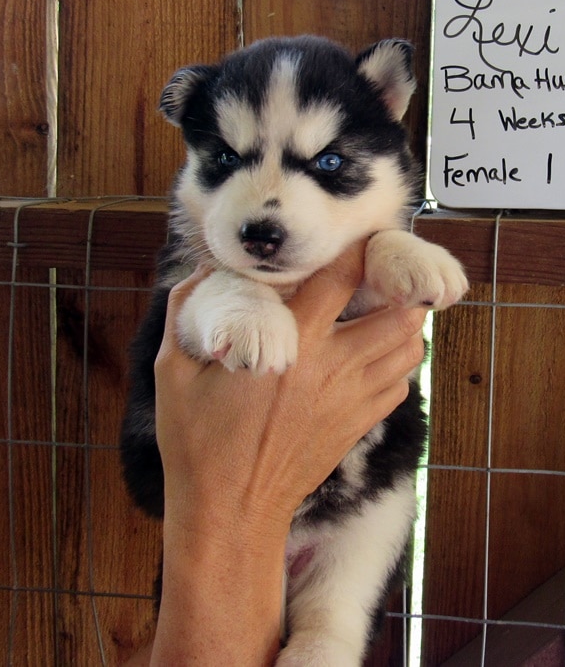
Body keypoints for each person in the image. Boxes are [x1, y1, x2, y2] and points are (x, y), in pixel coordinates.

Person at [127, 241, 430, 666]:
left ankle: (332, 632)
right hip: (215, 534)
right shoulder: (205, 266)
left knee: (380, 522)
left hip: (348, 518)